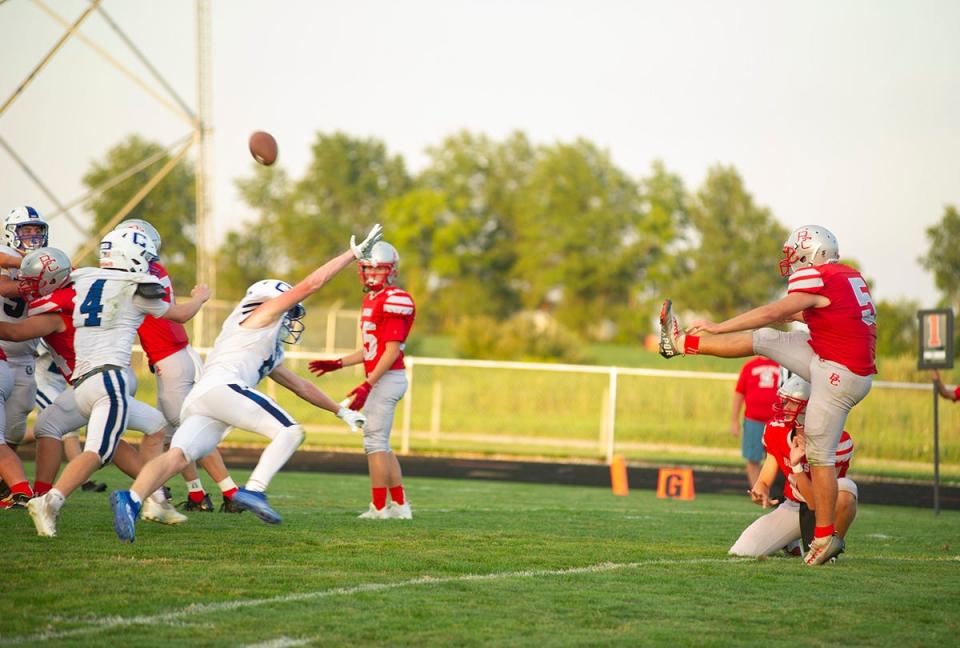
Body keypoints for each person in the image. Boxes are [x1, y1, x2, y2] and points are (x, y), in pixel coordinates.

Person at [110, 225, 381, 542]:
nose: (291, 320)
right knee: (290, 431)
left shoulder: (263, 342)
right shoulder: (262, 313)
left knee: (179, 456)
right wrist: (351, 255)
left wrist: (340, 411)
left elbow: (300, 386)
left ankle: (131, 498)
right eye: (290, 311)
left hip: (204, 397)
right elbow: (313, 284)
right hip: (224, 388)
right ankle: (254, 491)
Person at [659, 224, 875, 566]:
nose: (791, 261)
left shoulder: (819, 277)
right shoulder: (847, 276)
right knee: (765, 339)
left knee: (820, 454)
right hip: (830, 357)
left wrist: (720, 325)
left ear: (812, 253)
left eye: (795, 254)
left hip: (838, 372)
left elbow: (776, 311)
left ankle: (822, 539)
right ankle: (683, 343)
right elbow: (813, 315)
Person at [26, 232, 209, 537]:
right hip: (109, 379)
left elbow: (44, 302)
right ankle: (49, 501)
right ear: (132, 255)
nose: (149, 264)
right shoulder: (137, 287)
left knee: (155, 424)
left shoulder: (82, 277)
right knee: (97, 452)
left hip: (80, 384)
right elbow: (180, 315)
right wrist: (201, 297)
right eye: (146, 257)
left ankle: (156, 499)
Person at [114, 219, 240, 514]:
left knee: (189, 434)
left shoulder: (140, 275)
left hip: (172, 359)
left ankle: (231, 493)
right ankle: (195, 495)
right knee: (170, 437)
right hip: (174, 356)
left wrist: (198, 299)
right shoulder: (153, 270)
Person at [308, 241, 415, 520]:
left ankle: (379, 508)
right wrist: (339, 363)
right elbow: (372, 349)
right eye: (367, 268)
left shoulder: (395, 299)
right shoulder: (372, 299)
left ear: (391, 271)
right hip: (383, 376)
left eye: (378, 269)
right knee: (382, 443)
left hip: (387, 377)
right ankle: (400, 506)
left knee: (374, 443)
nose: (371, 274)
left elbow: (391, 351)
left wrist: (368, 384)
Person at [729, 375, 857, 558]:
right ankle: (789, 541)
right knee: (742, 551)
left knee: (847, 490)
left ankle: (831, 546)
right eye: (785, 401)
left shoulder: (838, 441)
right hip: (793, 506)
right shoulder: (776, 429)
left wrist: (796, 467)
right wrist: (760, 489)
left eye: (792, 403)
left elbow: (815, 502)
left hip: (823, 511)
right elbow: (765, 477)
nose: (785, 407)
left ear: (812, 408)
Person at [731, 357, 781, 487]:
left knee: (776, 460)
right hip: (753, 421)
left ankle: (772, 491)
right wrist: (734, 421)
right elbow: (739, 394)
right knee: (753, 459)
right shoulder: (750, 366)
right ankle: (757, 492)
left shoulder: (782, 365)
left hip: (776, 423)